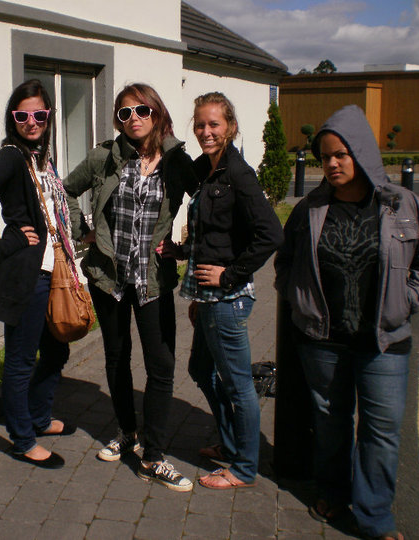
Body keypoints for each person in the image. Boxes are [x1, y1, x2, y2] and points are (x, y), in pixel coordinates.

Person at [274, 105, 419, 540]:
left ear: (362, 153)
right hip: (323, 341)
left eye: (341, 154)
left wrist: (406, 302)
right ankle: (333, 494)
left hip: (384, 342)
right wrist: (300, 300)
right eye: (325, 157)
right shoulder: (310, 208)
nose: (332, 164)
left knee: (381, 431)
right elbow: (285, 262)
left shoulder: (402, 205)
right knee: (330, 423)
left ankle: (375, 516)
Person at [62, 83, 197, 491]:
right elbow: (65, 191)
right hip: (110, 279)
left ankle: (153, 457)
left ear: (157, 113)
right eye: (125, 113)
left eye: (142, 110)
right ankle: (127, 433)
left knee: (161, 366)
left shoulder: (177, 161)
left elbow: (210, 202)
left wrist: (187, 247)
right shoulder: (104, 158)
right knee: (117, 358)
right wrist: (82, 230)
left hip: (152, 280)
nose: (134, 118)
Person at [160, 92, 283, 489]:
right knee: (200, 370)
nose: (206, 131)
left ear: (230, 127)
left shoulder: (238, 174)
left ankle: (244, 467)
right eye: (200, 124)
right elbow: (210, 232)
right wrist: (180, 252)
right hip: (209, 297)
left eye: (214, 124)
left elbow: (271, 234)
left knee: (238, 385)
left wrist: (229, 276)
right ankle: (230, 444)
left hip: (228, 299)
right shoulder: (207, 168)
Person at [0, 79, 78, 469]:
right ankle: (23, 440)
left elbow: (51, 212)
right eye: (22, 116)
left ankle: (38, 418)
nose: (32, 122)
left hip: (50, 273)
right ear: (13, 119)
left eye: (39, 114)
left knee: (56, 350)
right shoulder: (11, 157)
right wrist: (3, 242)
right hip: (25, 275)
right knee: (21, 360)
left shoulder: (40, 158)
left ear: (48, 116)